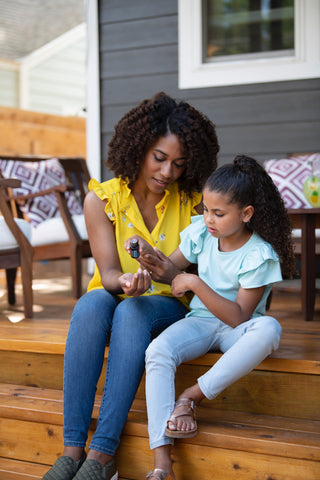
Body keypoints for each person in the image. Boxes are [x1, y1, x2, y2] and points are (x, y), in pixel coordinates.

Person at [42, 92, 219, 480]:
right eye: (159, 157)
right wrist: (123, 280)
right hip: (118, 295)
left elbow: (183, 277)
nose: (167, 172)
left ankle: (102, 454)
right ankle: (72, 451)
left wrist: (163, 272)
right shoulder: (101, 199)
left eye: (179, 163)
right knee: (91, 305)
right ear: (138, 148)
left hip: (169, 304)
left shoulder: (192, 203)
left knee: (133, 309)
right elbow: (106, 275)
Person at [135, 155, 296, 480]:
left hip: (237, 329)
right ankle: (162, 464)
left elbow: (238, 316)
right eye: (206, 209)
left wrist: (194, 281)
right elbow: (170, 268)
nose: (209, 218)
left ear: (246, 213)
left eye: (219, 213)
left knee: (269, 328)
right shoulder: (202, 234)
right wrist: (146, 252)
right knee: (157, 352)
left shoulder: (258, 255)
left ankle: (190, 397)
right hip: (201, 322)